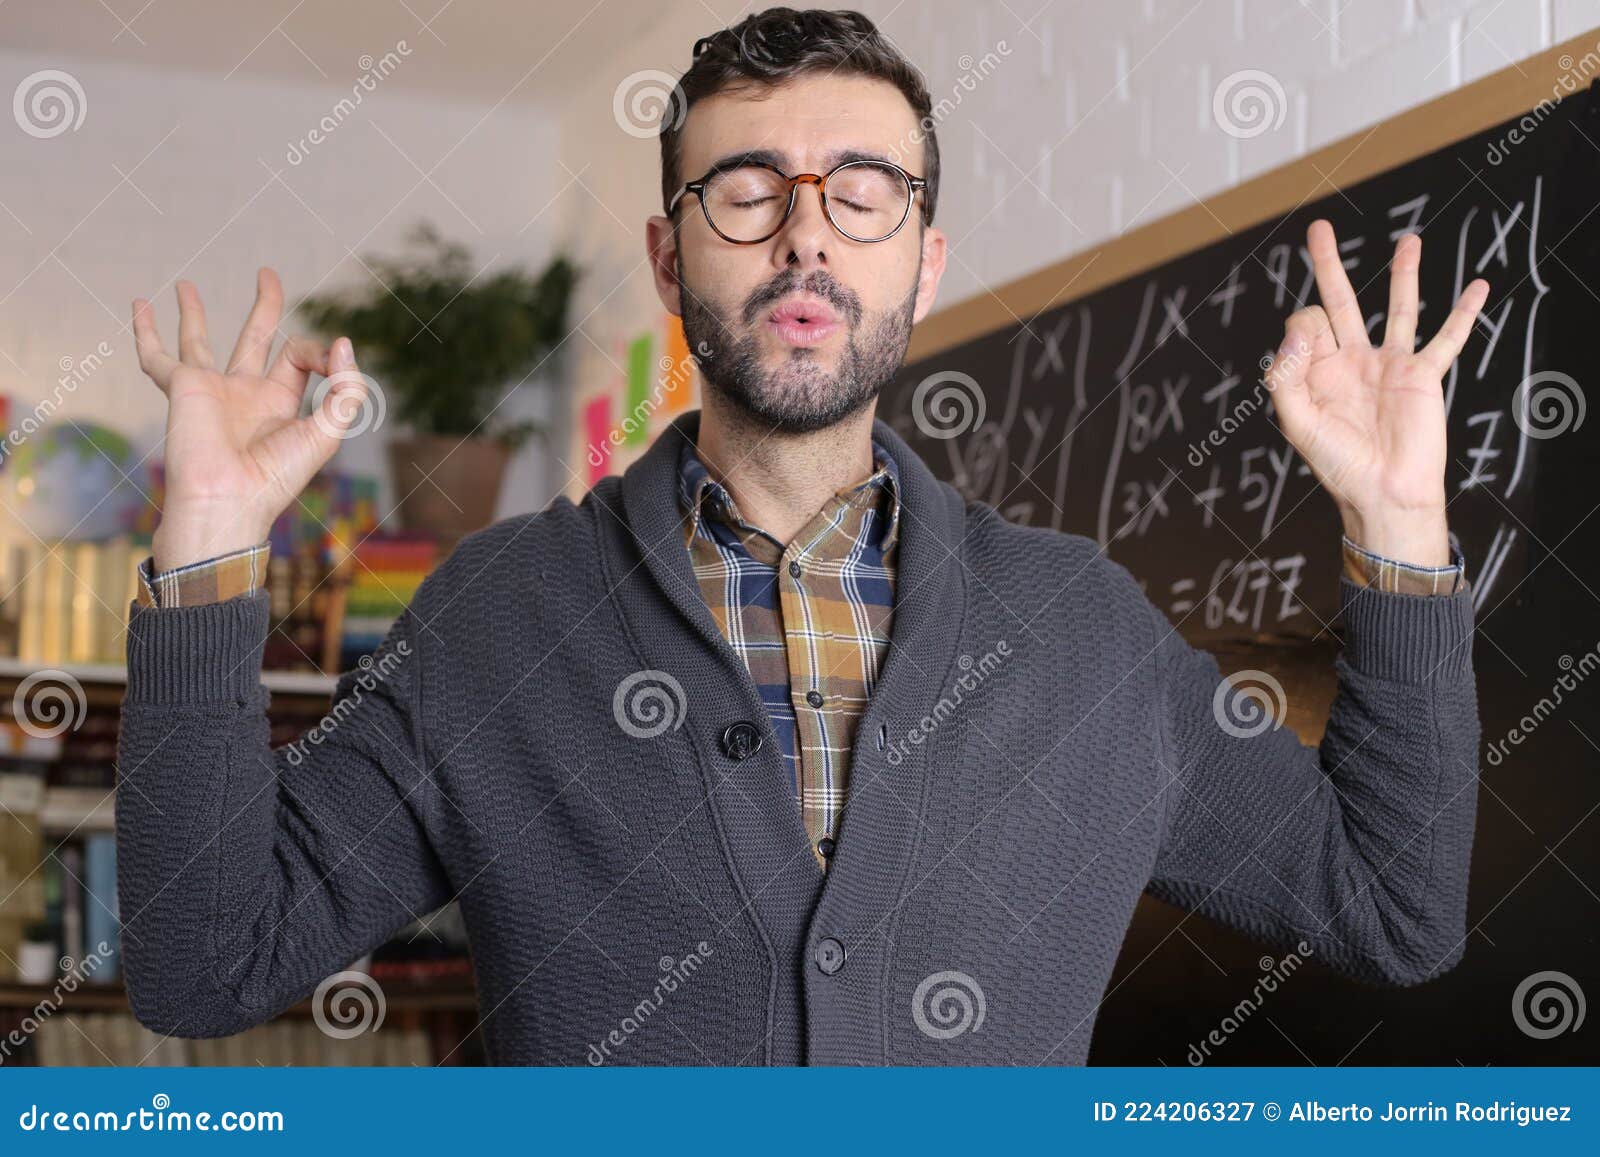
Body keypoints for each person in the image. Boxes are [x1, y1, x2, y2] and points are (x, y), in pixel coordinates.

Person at [118, 8, 1486, 1065]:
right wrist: (212, 544)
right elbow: (203, 958)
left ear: (925, 261)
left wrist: (1399, 520)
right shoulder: (497, 614)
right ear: (670, 256)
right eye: (747, 189)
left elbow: (1392, 903)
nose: (804, 237)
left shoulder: (1083, 627)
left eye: (863, 191)